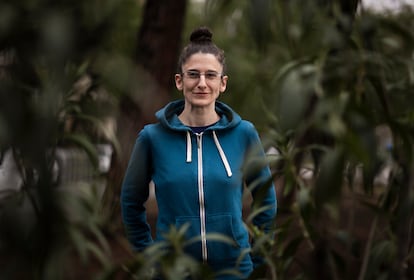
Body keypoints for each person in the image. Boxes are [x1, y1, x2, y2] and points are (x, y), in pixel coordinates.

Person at [121, 26, 277, 279]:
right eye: (193, 75)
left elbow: (266, 202)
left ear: (222, 83)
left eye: (210, 75)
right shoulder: (152, 138)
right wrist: (150, 257)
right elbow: (130, 202)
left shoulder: (245, 134)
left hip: (234, 271)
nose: (202, 83)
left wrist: (255, 260)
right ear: (179, 81)